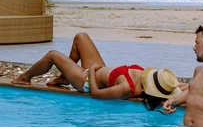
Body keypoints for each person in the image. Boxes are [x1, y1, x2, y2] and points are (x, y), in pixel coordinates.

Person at [12, 32, 181, 105]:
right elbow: (180, 87)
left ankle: (24, 78)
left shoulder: (126, 89)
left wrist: (92, 72)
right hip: (99, 70)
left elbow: (96, 94)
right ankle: (65, 77)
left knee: (52, 54)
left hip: (86, 80)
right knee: (81, 37)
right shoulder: (145, 74)